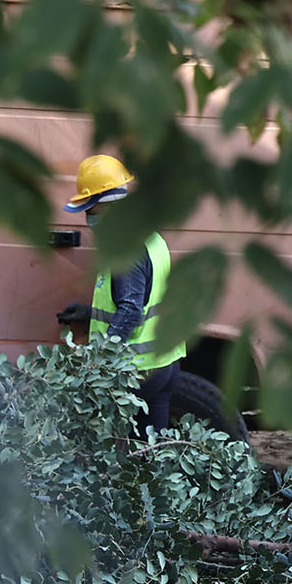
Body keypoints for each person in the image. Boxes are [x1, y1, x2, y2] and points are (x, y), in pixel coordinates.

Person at [54, 155, 187, 431]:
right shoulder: (150, 237)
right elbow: (143, 297)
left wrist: (98, 364)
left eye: (91, 210)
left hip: (138, 372)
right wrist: (90, 313)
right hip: (165, 363)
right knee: (151, 454)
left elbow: (130, 311)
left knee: (110, 451)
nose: (88, 218)